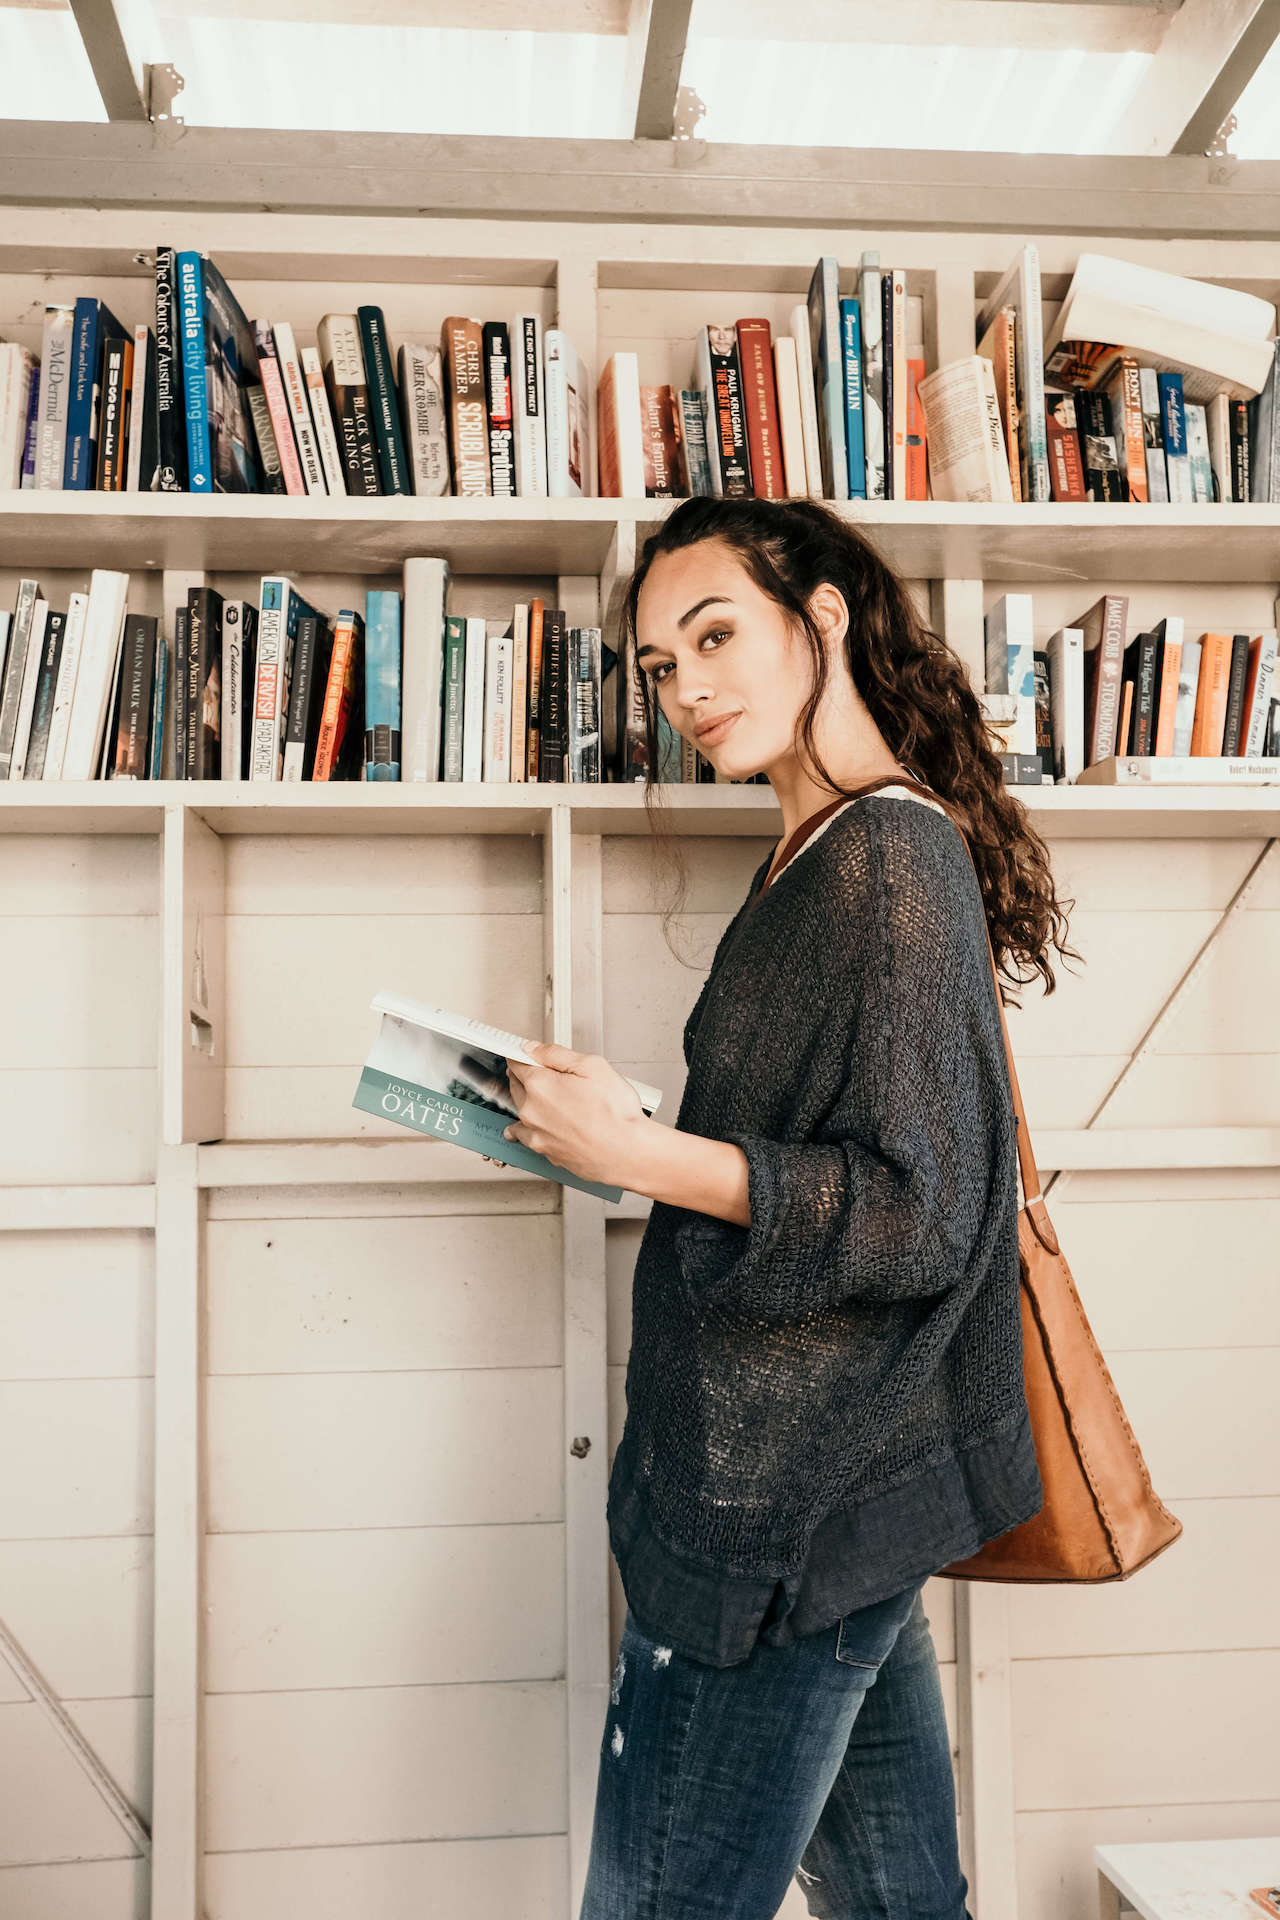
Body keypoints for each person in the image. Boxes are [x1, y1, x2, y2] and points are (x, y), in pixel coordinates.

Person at [499, 496, 1076, 1920]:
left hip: (785, 1517)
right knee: (899, 1904)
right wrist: (627, 1126)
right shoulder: (816, 853)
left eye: (714, 635)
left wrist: (648, 1156)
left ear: (823, 617)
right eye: (655, 665)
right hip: (816, 1491)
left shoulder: (887, 861)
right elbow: (819, 1138)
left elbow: (921, 1209)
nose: (686, 687)